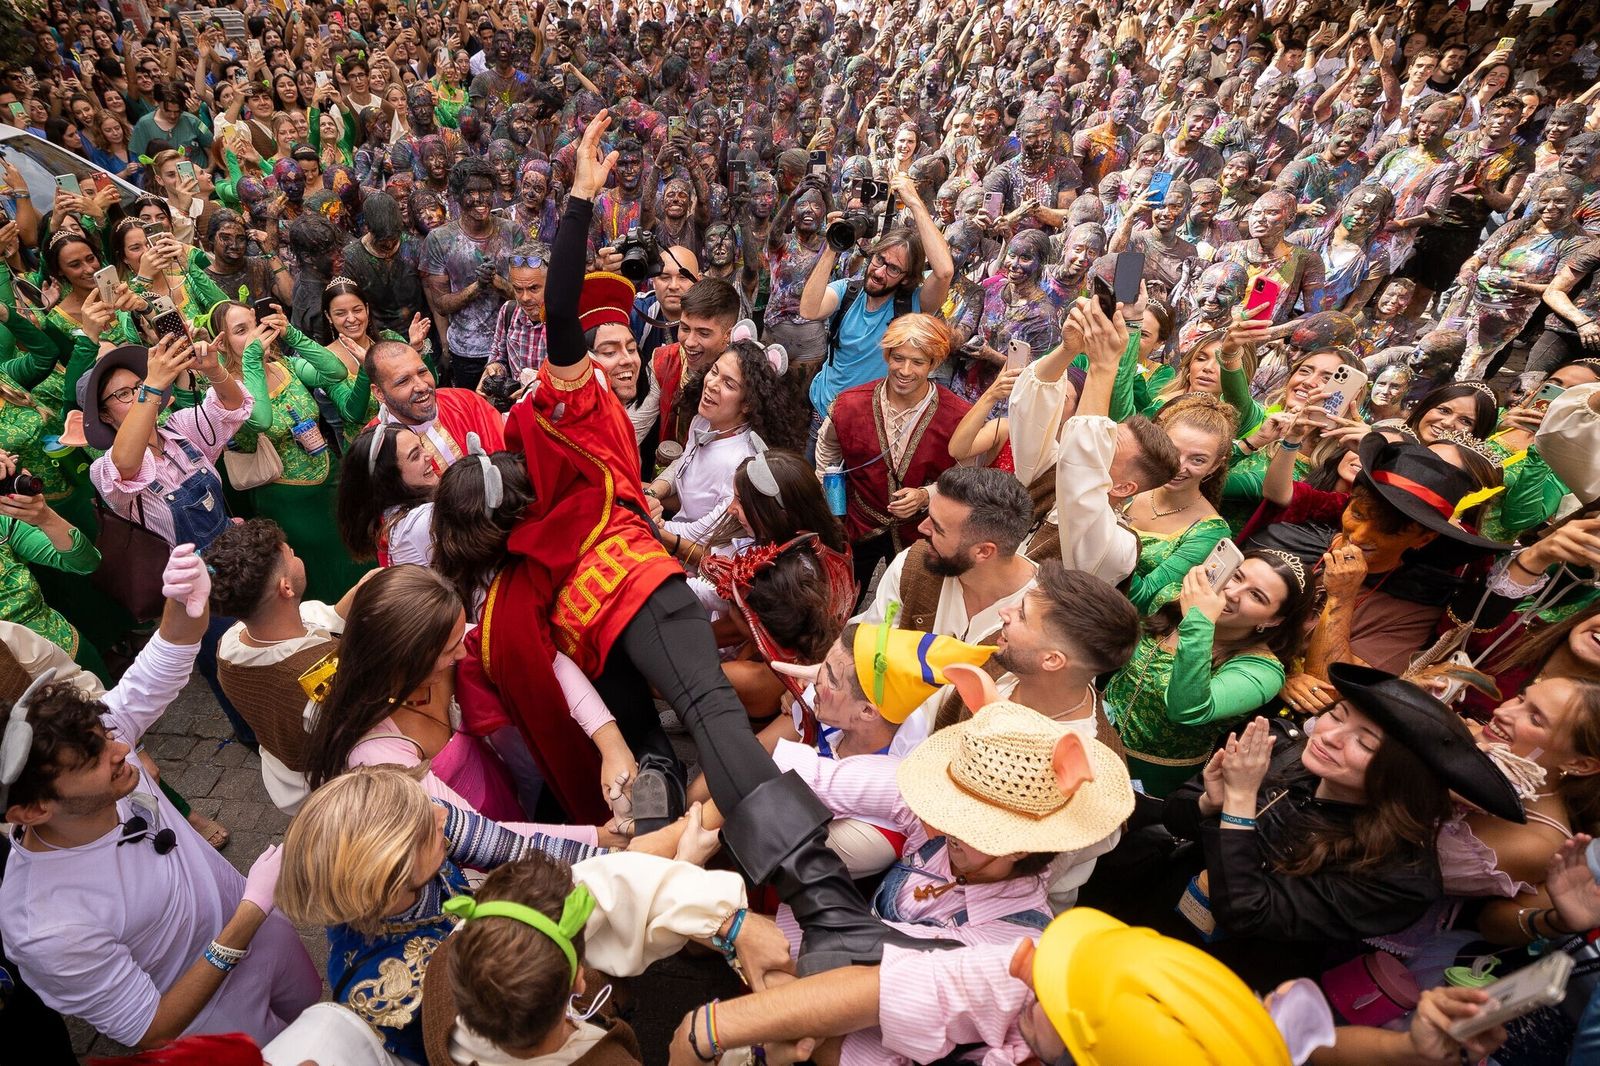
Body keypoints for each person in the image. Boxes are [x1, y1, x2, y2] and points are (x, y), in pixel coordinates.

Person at [496, 110, 933, 973]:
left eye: (618, 346)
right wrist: (579, 201)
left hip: (598, 614)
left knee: (684, 737)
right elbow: (557, 310)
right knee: (716, 725)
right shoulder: (572, 406)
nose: (607, 360)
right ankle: (817, 899)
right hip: (635, 586)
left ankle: (745, 903)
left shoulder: (562, 434)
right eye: (596, 349)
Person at [0, 546, 320, 1049]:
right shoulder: (47, 927)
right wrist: (249, 913)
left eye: (105, 733)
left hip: (268, 940)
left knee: (320, 1022)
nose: (123, 747)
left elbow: (159, 665)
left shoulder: (98, 742)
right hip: (214, 1022)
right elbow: (151, 1030)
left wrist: (182, 601)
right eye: (93, 760)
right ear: (34, 810)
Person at [1145, 665, 1525, 987]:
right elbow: (1175, 815)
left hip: (1221, 977)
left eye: (1365, 743)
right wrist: (1210, 802)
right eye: (1338, 716)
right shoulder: (1281, 748)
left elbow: (1247, 912)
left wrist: (1240, 802)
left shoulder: (1399, 877)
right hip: (1154, 915)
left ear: (1402, 777)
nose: (1329, 737)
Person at [276, 767, 607, 1063]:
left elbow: (514, 848)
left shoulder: (421, 837)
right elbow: (477, 1045)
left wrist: (612, 856)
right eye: (424, 823)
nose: (441, 814)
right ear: (391, 877)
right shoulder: (391, 991)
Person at [1106, 551, 1317, 797]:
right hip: (1092, 727)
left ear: (1273, 621)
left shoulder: (1263, 671)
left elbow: (1186, 709)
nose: (1232, 593)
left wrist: (1199, 620)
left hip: (1143, 777)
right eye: (1236, 576)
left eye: (1256, 596)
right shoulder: (1175, 598)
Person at [815, 314, 972, 596]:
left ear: (934, 364)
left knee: (906, 602)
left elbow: (967, 473)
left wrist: (927, 495)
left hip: (921, 531)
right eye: (898, 358)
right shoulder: (849, 404)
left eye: (918, 362)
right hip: (859, 521)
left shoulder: (959, 415)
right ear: (887, 355)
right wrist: (832, 503)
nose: (905, 370)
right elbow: (827, 450)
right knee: (844, 594)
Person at [802, 174, 954, 432]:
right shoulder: (848, 292)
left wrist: (915, 202)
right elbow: (809, 310)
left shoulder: (913, 305)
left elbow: (944, 272)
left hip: (869, 424)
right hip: (823, 414)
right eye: (879, 260)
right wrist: (833, 245)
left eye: (894, 269)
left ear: (907, 278)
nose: (880, 272)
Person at [420, 157, 526, 388]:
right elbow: (441, 304)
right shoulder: (440, 240)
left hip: (513, 344)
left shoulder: (513, 232)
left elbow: (527, 296)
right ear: (457, 195)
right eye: (471, 191)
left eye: (486, 190)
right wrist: (477, 286)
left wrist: (497, 282)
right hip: (467, 351)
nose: (480, 199)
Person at [367, 340, 506, 473]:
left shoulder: (464, 401)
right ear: (379, 393)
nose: (422, 386)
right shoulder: (375, 446)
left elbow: (505, 460)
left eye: (422, 372)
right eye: (403, 381)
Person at [337, 423, 440, 566]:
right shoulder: (421, 522)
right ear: (390, 478)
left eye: (422, 445)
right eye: (415, 455)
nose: (430, 455)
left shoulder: (393, 514)